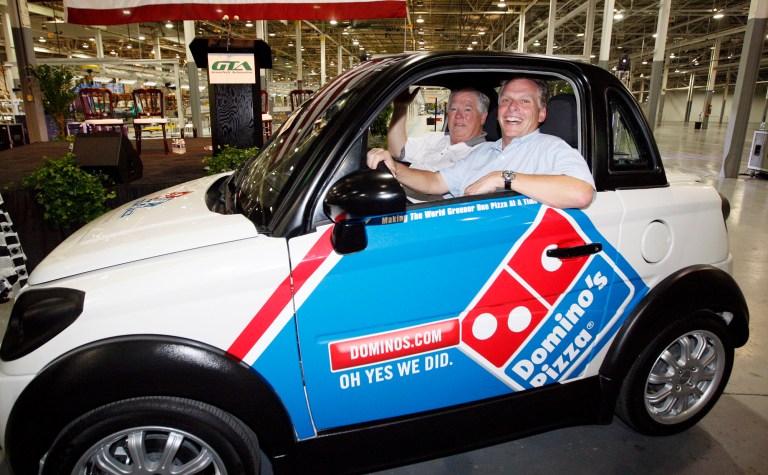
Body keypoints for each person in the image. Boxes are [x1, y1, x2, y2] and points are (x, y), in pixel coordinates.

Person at [367, 76, 595, 209]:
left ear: (542, 113)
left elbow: (582, 193)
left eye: (524, 101)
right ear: (499, 111)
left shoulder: (551, 147)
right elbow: (436, 181)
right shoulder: (486, 151)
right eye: (506, 100)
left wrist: (502, 177)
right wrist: (395, 168)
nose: (513, 107)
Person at [384, 86, 490, 171]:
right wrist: (400, 107)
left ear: (483, 117)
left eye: (467, 109)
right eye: (453, 109)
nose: (459, 115)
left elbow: (436, 183)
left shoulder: (484, 154)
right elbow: (397, 151)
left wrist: (396, 168)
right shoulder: (434, 138)